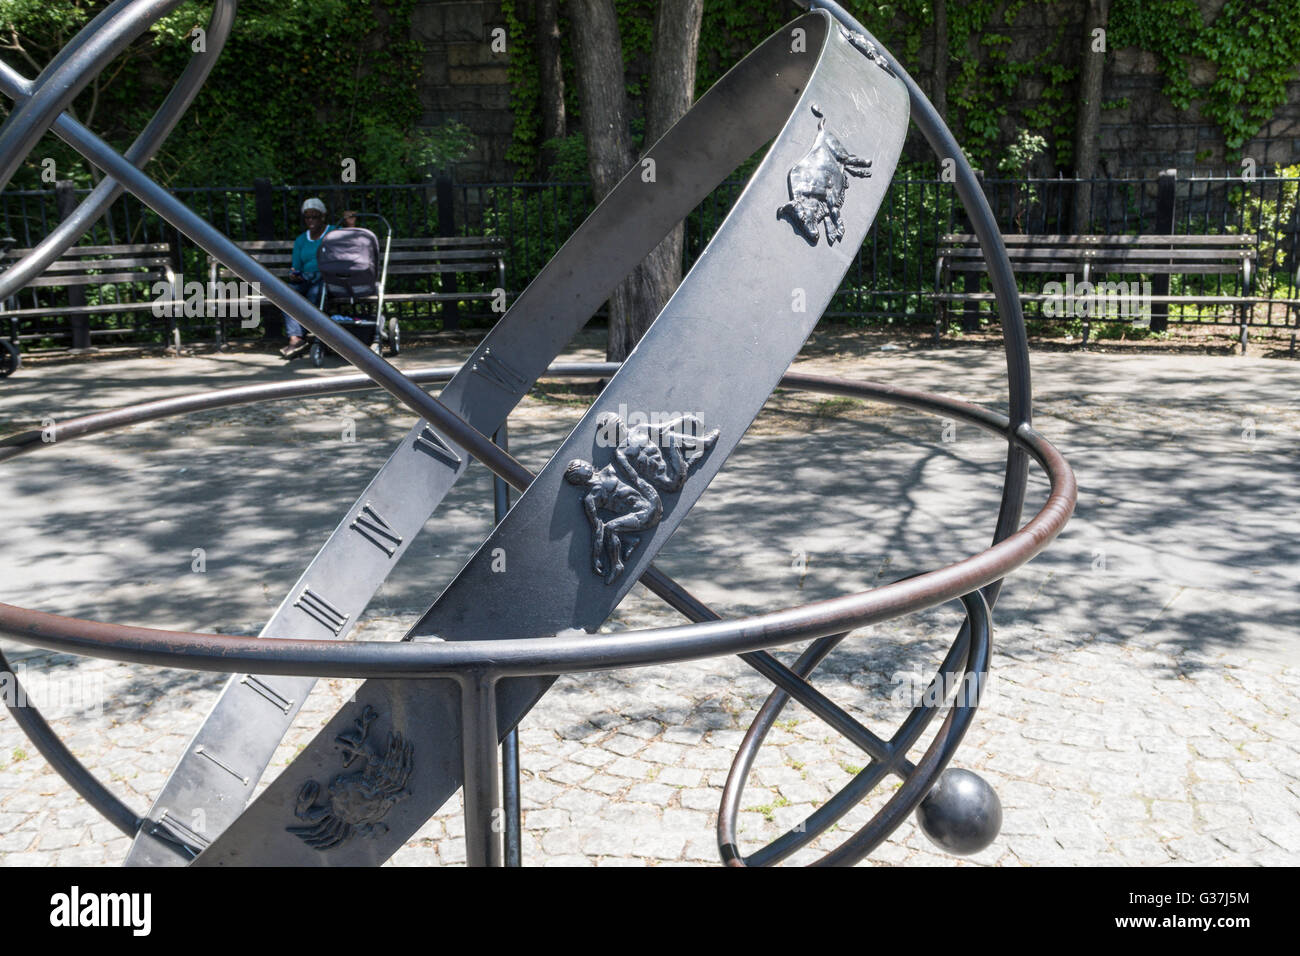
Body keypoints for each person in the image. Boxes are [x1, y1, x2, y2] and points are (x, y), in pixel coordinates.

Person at [281, 198, 334, 358]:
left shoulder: (333, 233)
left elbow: (349, 246)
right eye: (307, 217)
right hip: (305, 278)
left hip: (327, 278)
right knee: (286, 293)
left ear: (323, 216)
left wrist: (351, 225)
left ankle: (302, 336)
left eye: (314, 216)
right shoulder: (301, 240)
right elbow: (296, 266)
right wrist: (294, 274)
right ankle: (296, 339)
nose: (310, 220)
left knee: (314, 293)